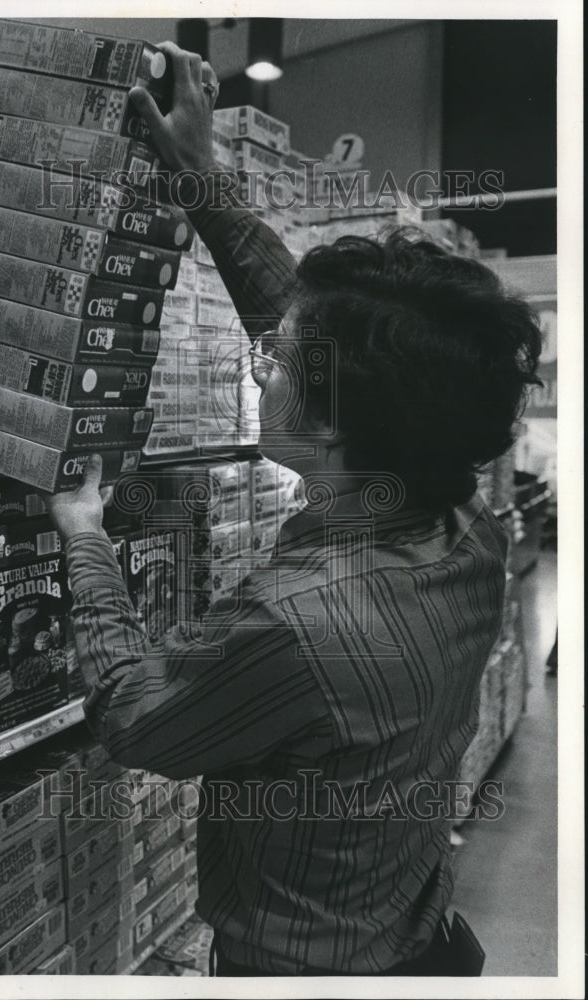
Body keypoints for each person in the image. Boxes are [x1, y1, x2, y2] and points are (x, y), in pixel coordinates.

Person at [46, 41, 542, 976]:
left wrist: (84, 540)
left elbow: (139, 719)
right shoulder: (458, 523)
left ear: (341, 422)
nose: (261, 361)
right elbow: (306, 322)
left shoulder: (296, 618)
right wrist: (203, 177)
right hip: (418, 932)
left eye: (280, 362)